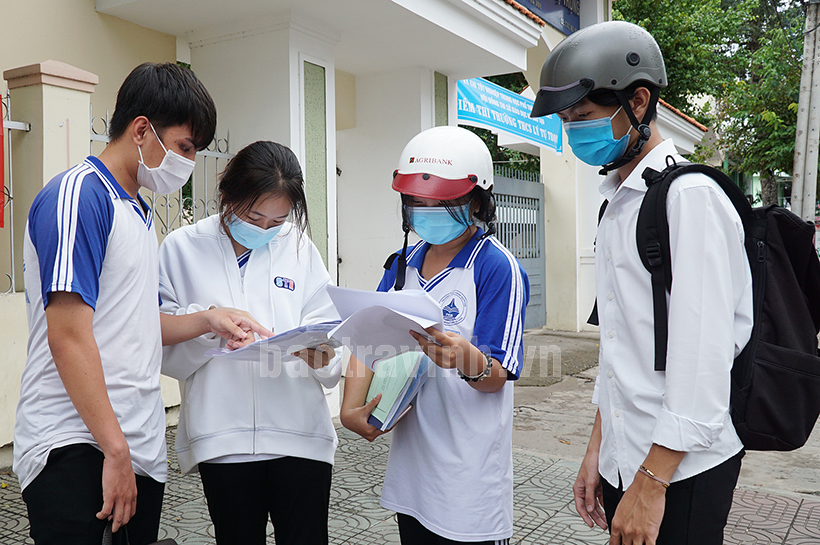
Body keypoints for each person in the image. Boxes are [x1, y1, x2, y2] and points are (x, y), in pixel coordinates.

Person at [14, 62, 272, 545]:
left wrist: (207, 319)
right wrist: (114, 450)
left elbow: (134, 322)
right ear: (140, 130)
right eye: (184, 147)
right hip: (77, 442)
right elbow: (68, 335)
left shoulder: (137, 211)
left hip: (135, 445)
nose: (188, 163)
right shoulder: (79, 196)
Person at [530, 21, 754, 545]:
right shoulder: (618, 201)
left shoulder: (690, 198)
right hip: (625, 454)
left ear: (638, 101)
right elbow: (620, 350)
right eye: (566, 121)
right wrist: (597, 449)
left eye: (584, 117)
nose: (574, 132)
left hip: (682, 467)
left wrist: (652, 483)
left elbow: (702, 358)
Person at [340, 126, 529, 545]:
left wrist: (466, 359)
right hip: (412, 470)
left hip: (468, 479)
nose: (427, 211)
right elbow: (367, 338)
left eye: (442, 202)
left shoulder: (497, 268)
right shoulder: (402, 264)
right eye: (416, 202)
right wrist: (351, 407)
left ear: (478, 201)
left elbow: (498, 375)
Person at [158, 140, 342, 545]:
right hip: (222, 439)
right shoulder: (182, 248)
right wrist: (209, 326)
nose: (264, 230)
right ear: (227, 193)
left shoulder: (299, 247)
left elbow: (329, 335)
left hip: (301, 436)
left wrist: (319, 355)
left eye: (277, 221)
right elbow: (164, 352)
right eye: (253, 216)